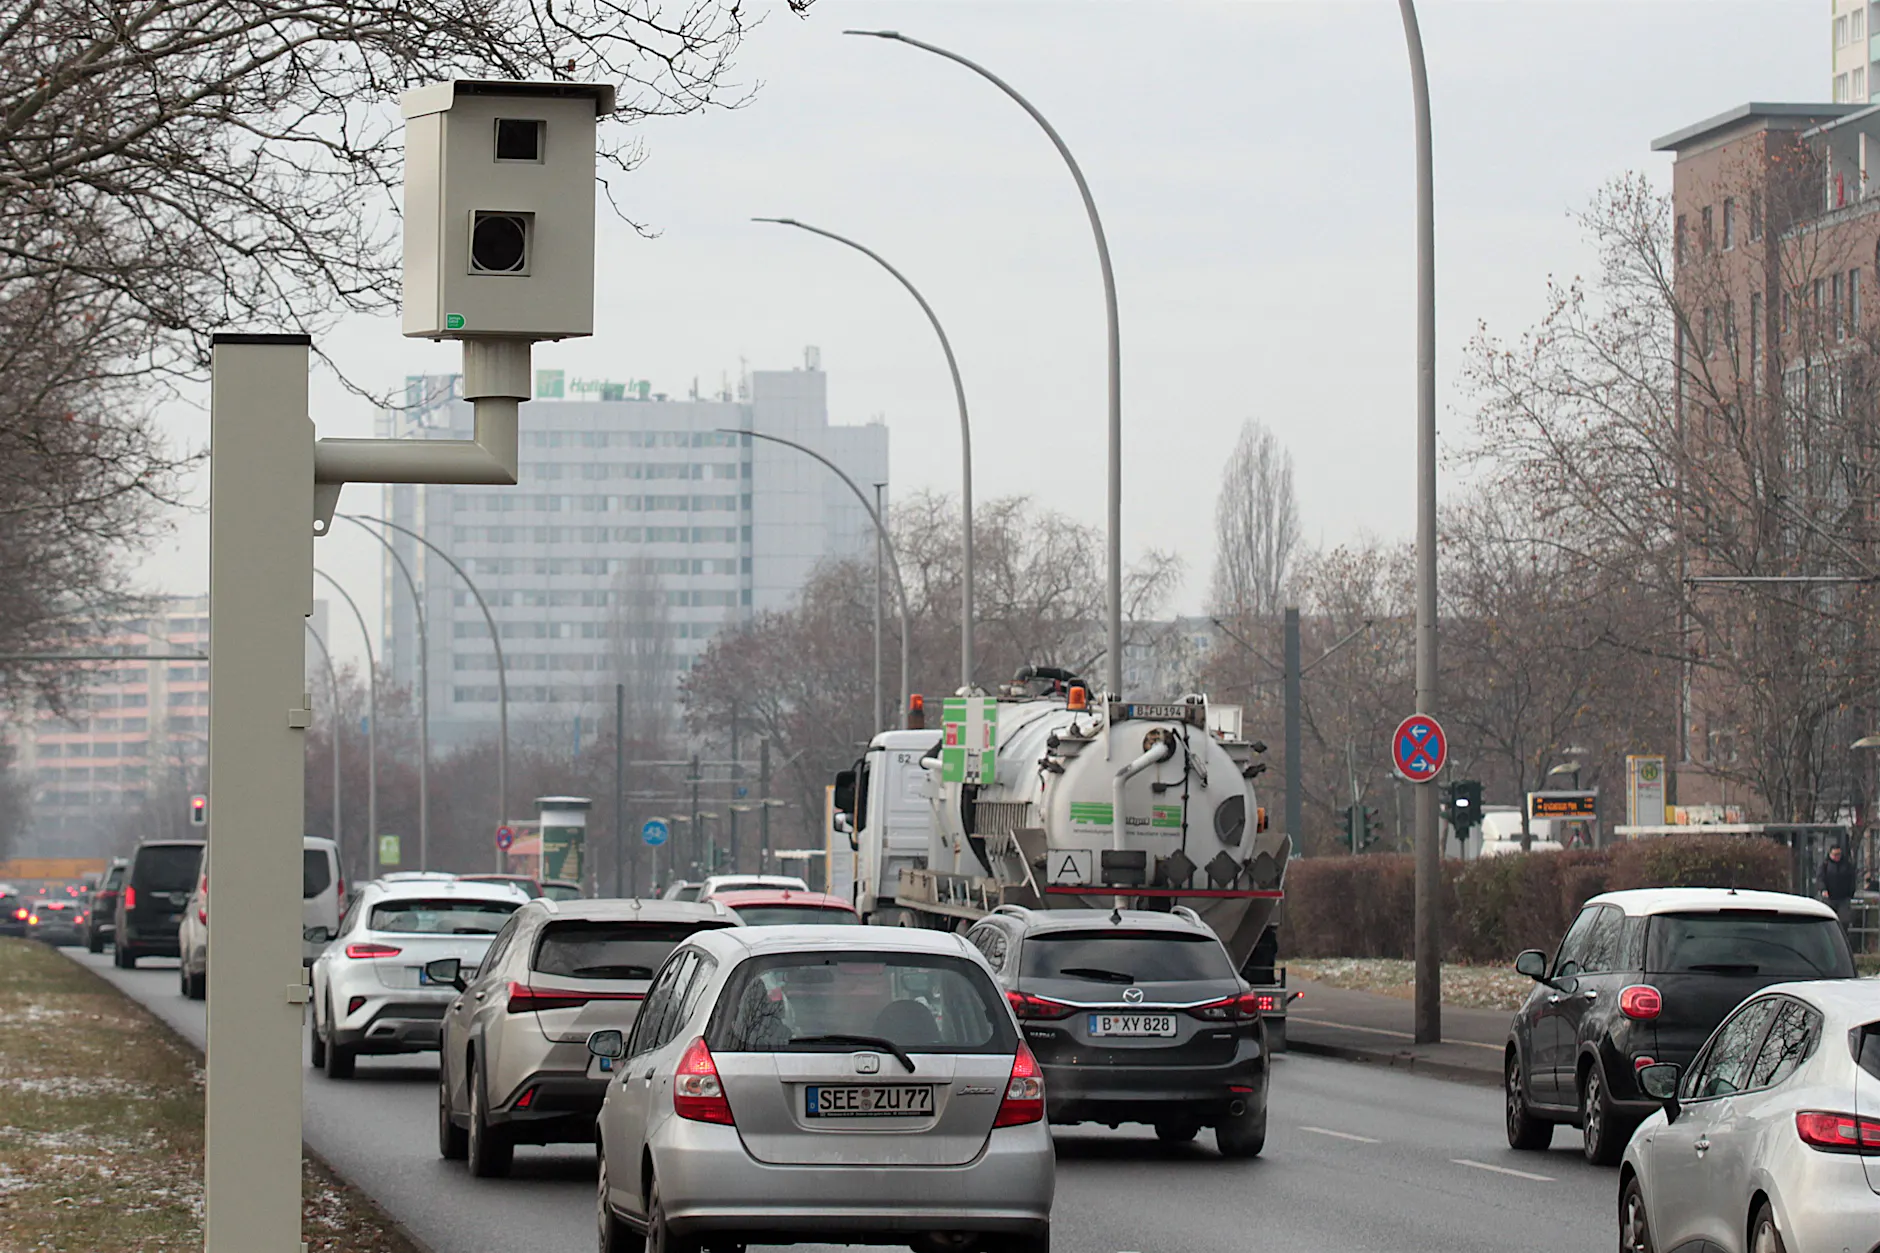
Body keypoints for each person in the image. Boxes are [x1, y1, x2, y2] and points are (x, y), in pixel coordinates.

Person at [1819, 843, 1858, 938]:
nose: (1837, 857)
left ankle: (1842, 938)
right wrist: (1823, 889)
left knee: (1844, 921)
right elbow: (1820, 878)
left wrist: (1851, 892)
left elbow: (1852, 879)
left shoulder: (1847, 865)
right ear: (1830, 854)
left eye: (1839, 854)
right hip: (1830, 898)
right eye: (1835, 854)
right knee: (1829, 920)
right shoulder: (1825, 865)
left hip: (1843, 897)